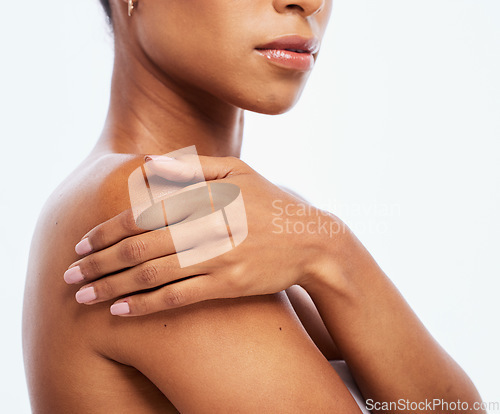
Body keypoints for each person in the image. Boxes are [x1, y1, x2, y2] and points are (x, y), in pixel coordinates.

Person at [22, 0, 485, 412]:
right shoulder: (157, 195)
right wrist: (327, 251)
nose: (307, 3)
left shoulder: (278, 224)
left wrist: (331, 249)